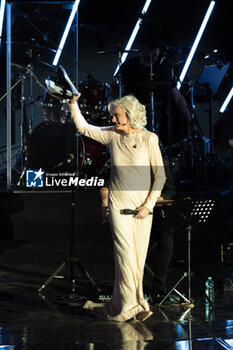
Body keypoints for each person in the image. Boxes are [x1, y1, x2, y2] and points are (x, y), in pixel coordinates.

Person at [69, 94, 166, 322]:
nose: (113, 119)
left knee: (137, 258)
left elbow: (159, 176)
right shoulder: (112, 136)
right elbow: (84, 127)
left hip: (143, 206)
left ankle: (135, 302)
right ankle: (128, 307)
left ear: (130, 115)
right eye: (113, 115)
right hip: (119, 204)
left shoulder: (150, 139)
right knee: (125, 256)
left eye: (117, 115)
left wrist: (148, 205)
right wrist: (73, 105)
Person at [112, 28, 192, 146]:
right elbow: (114, 90)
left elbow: (178, 98)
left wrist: (190, 121)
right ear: (141, 48)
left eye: (157, 49)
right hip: (132, 118)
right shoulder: (129, 66)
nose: (155, 52)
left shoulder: (164, 68)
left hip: (159, 118)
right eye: (151, 49)